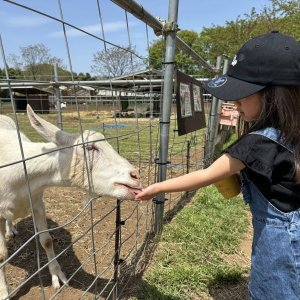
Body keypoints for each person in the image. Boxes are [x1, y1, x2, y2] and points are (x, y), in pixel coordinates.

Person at [135, 31, 300, 300]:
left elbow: (207, 175)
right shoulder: (290, 132)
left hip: (279, 240)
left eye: (242, 96)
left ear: (273, 95)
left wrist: (156, 188)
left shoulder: (256, 144)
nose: (235, 104)